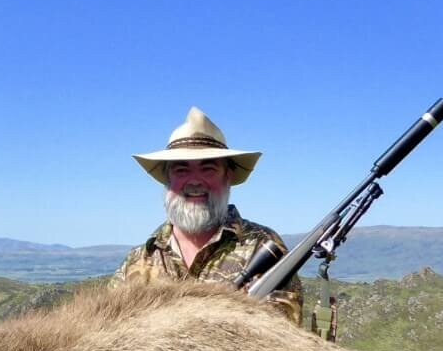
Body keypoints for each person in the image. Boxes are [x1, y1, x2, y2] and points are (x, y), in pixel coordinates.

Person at [112, 108, 303, 324]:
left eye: (208, 169)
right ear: (167, 179)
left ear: (228, 177)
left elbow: (281, 337)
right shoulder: (139, 260)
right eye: (181, 170)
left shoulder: (263, 247)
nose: (195, 181)